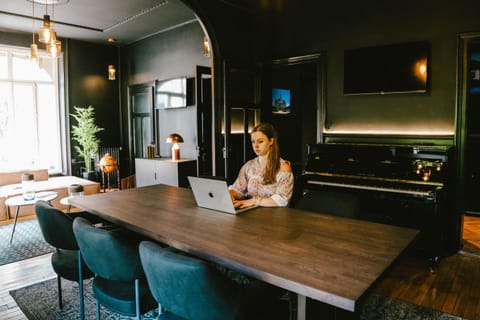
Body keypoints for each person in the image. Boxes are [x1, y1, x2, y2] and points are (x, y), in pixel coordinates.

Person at [229, 122, 294, 209]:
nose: (255, 146)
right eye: (253, 142)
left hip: (274, 216)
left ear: (271, 141)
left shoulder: (283, 167)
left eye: (260, 141)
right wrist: (230, 194)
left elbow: (282, 199)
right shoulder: (249, 165)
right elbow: (239, 189)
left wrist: (254, 201)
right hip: (251, 213)